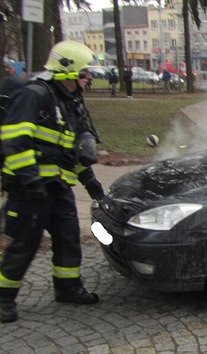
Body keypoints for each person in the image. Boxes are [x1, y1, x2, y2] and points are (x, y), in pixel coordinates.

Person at [0, 40, 106, 323]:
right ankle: (4, 299)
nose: (89, 77)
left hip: (58, 186)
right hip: (28, 190)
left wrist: (90, 182)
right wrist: (30, 181)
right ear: (67, 71)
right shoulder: (34, 96)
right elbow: (14, 143)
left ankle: (68, 287)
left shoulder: (71, 102)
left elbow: (70, 151)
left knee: (69, 237)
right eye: (85, 72)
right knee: (24, 244)